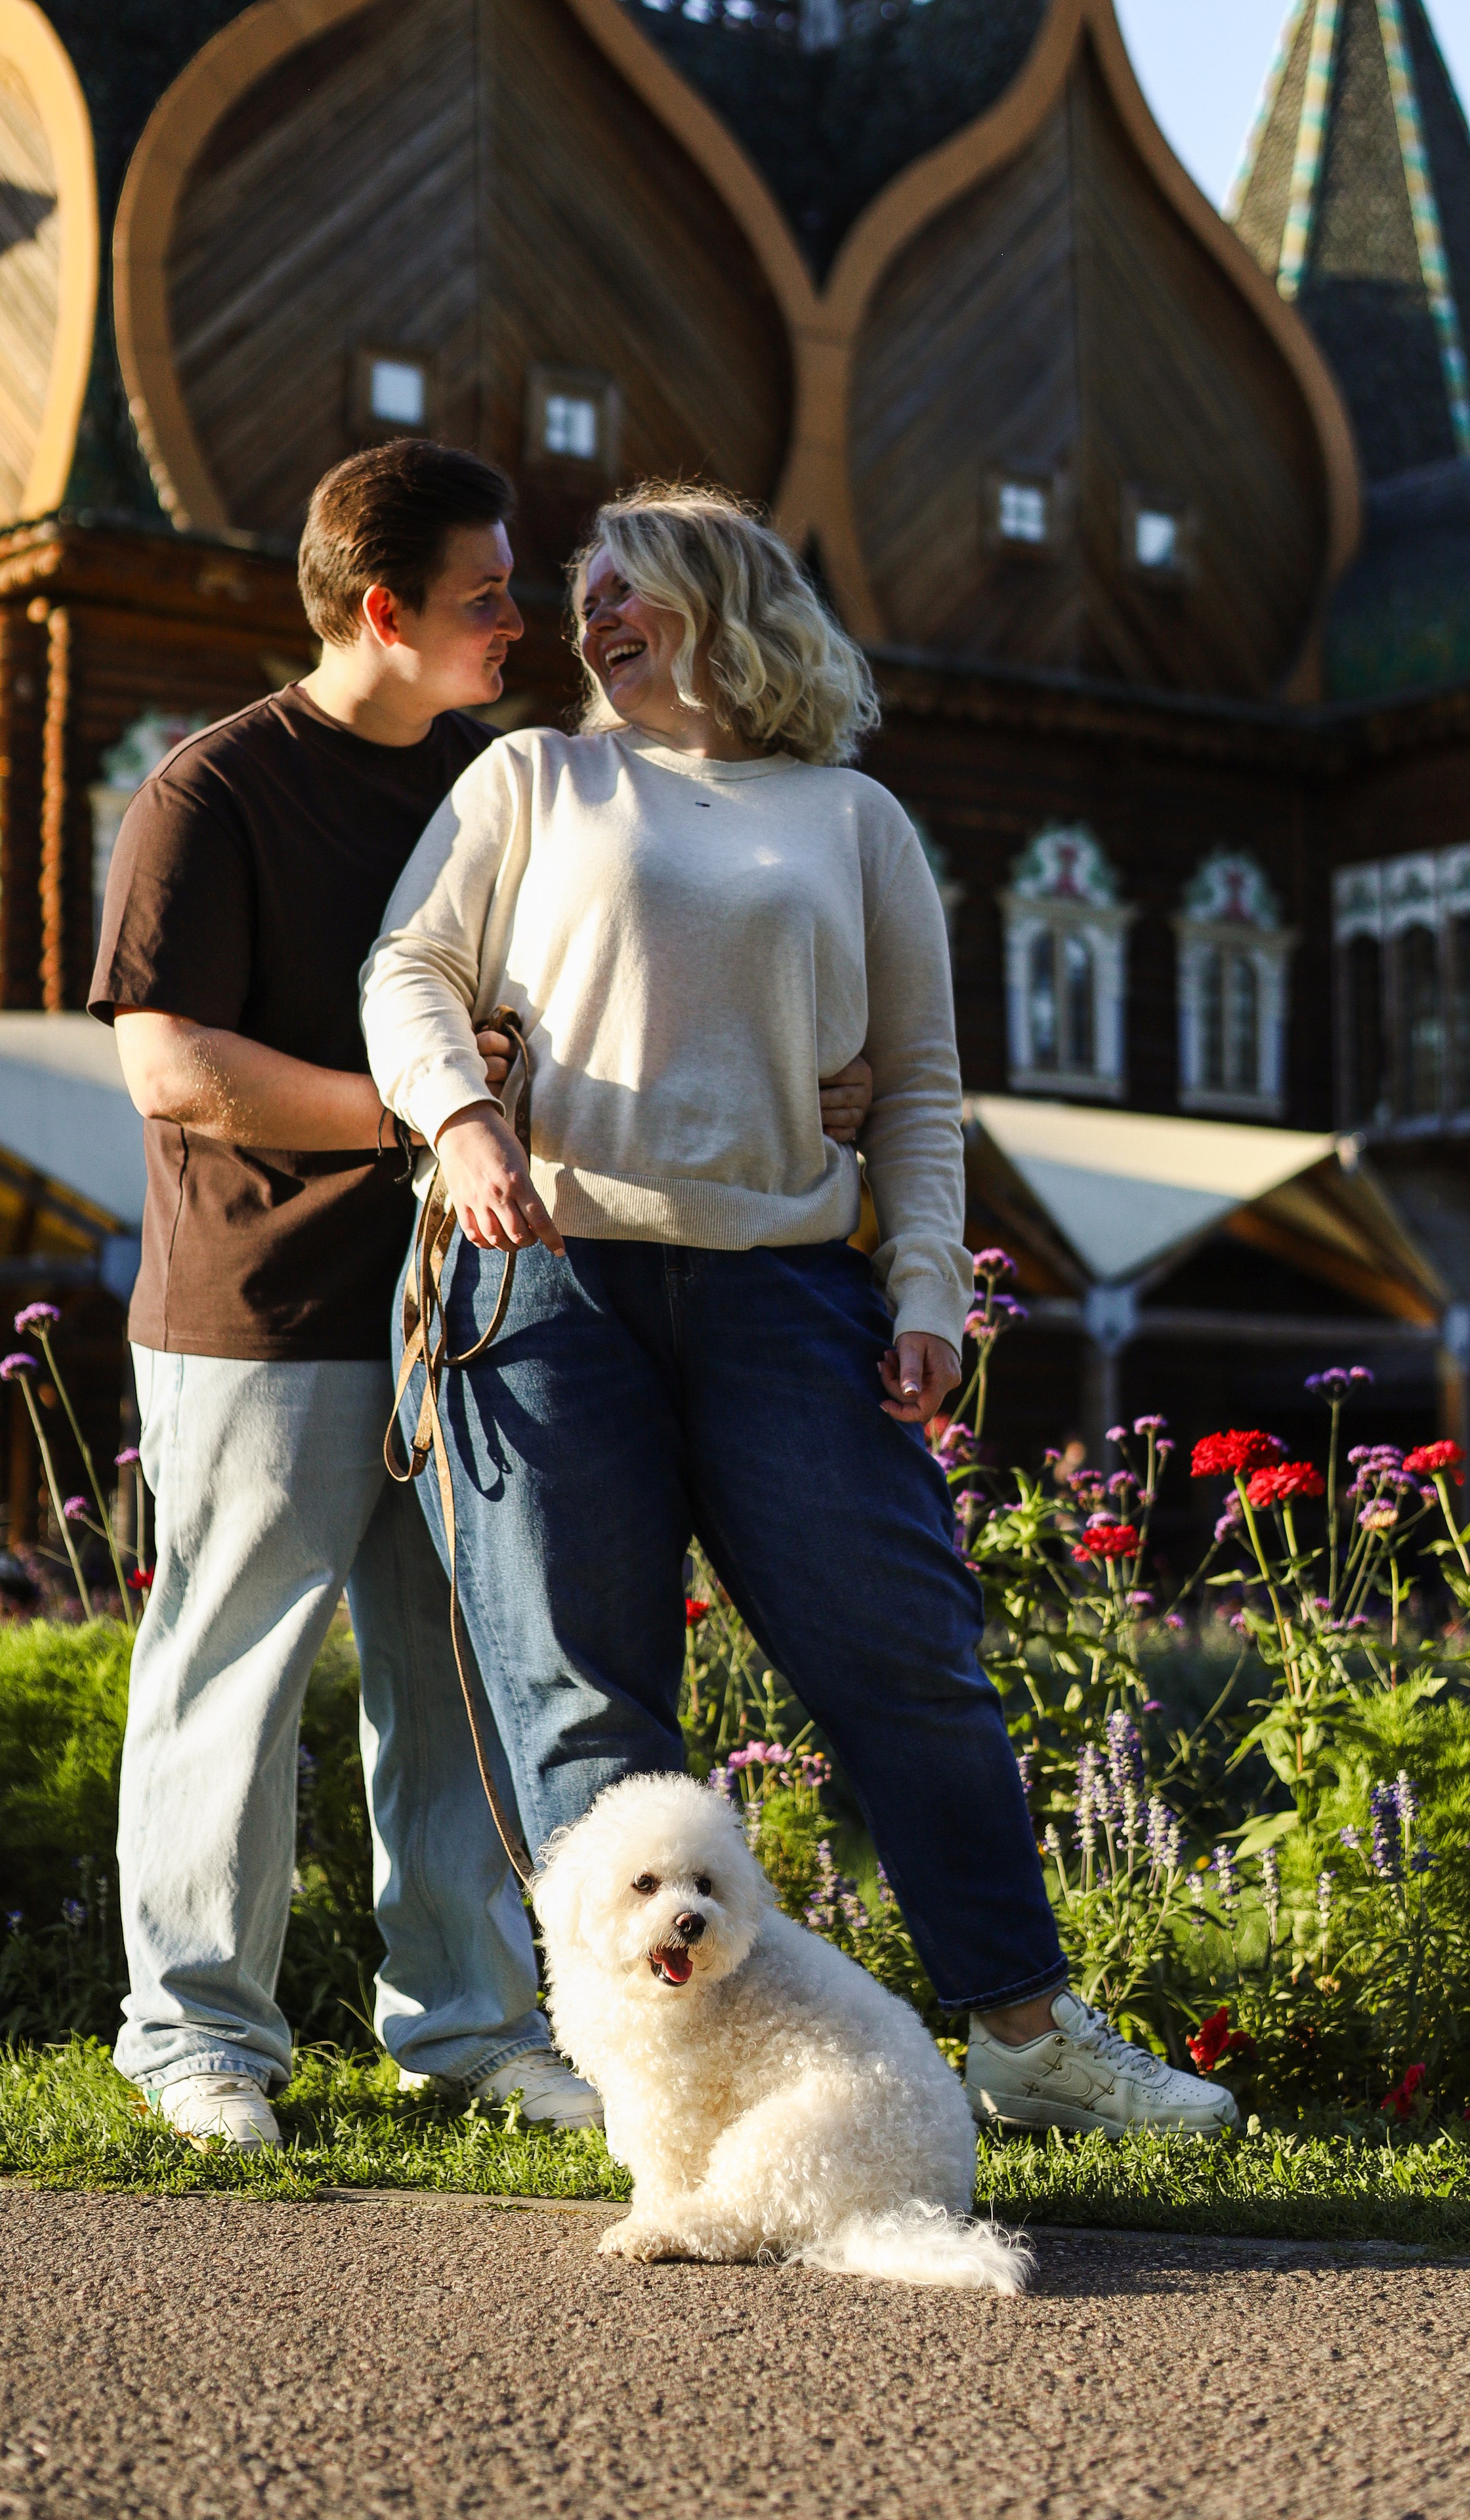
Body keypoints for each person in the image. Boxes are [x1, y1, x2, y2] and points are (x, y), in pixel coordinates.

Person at [360, 482, 1238, 2138]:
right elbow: (407, 970)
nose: (586, 619)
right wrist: (460, 1121)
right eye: (578, 596)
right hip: (541, 1273)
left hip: (788, 1292)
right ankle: (645, 2082)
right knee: (586, 1706)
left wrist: (922, 1286)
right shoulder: (534, 778)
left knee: (906, 1661)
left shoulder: (852, 818)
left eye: (625, 588)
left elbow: (913, 1081)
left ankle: (1029, 2040)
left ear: (717, 600)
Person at [92, 446, 873, 2151]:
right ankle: (196, 2041)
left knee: (457, 1683)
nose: (525, 624)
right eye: (484, 598)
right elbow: (171, 1064)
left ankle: (462, 2029)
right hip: (264, 1317)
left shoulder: (498, 777)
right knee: (229, 1675)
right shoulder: (213, 792)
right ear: (382, 612)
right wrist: (421, 1117)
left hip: (488, 1316)